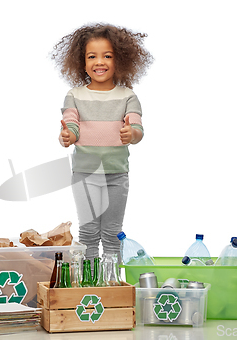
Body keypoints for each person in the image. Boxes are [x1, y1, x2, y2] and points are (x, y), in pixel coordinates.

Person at [51, 23, 153, 263]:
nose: (100, 62)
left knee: (112, 233)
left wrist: (132, 134)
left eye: (107, 56)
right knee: (88, 233)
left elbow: (137, 128)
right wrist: (68, 136)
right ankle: (90, 283)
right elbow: (71, 123)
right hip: (85, 174)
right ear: (82, 62)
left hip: (117, 175)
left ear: (121, 60)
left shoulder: (128, 96)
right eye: (92, 56)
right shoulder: (74, 95)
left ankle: (111, 283)